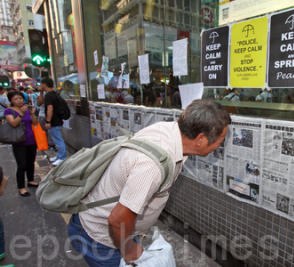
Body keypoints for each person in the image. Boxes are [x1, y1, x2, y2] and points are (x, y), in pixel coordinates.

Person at [68, 99, 231, 266]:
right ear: (201, 139)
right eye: (220, 141)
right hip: (102, 241)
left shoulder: (168, 131)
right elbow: (117, 220)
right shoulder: (153, 165)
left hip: (121, 233)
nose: (219, 146)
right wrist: (130, 252)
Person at [4, 91, 39, 197]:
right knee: (22, 164)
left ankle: (31, 180)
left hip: (31, 140)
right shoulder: (8, 111)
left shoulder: (27, 109)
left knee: (30, 162)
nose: (19, 100)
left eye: (20, 98)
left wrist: (32, 114)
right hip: (19, 142)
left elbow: (35, 123)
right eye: (15, 99)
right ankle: (21, 187)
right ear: (11, 101)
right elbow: (14, 123)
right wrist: (22, 113)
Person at [42, 77, 67, 166]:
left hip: (54, 122)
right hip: (57, 121)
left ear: (44, 84)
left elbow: (50, 108)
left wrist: (48, 121)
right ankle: (59, 155)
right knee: (57, 140)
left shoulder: (49, 95)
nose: (41, 86)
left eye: (41, 84)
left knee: (58, 140)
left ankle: (62, 157)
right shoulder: (54, 94)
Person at [37, 83, 56, 151]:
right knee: (44, 131)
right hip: (42, 114)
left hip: (49, 115)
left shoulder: (51, 94)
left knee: (51, 131)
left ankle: (52, 145)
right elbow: (39, 103)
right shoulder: (41, 94)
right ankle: (45, 144)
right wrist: (41, 93)